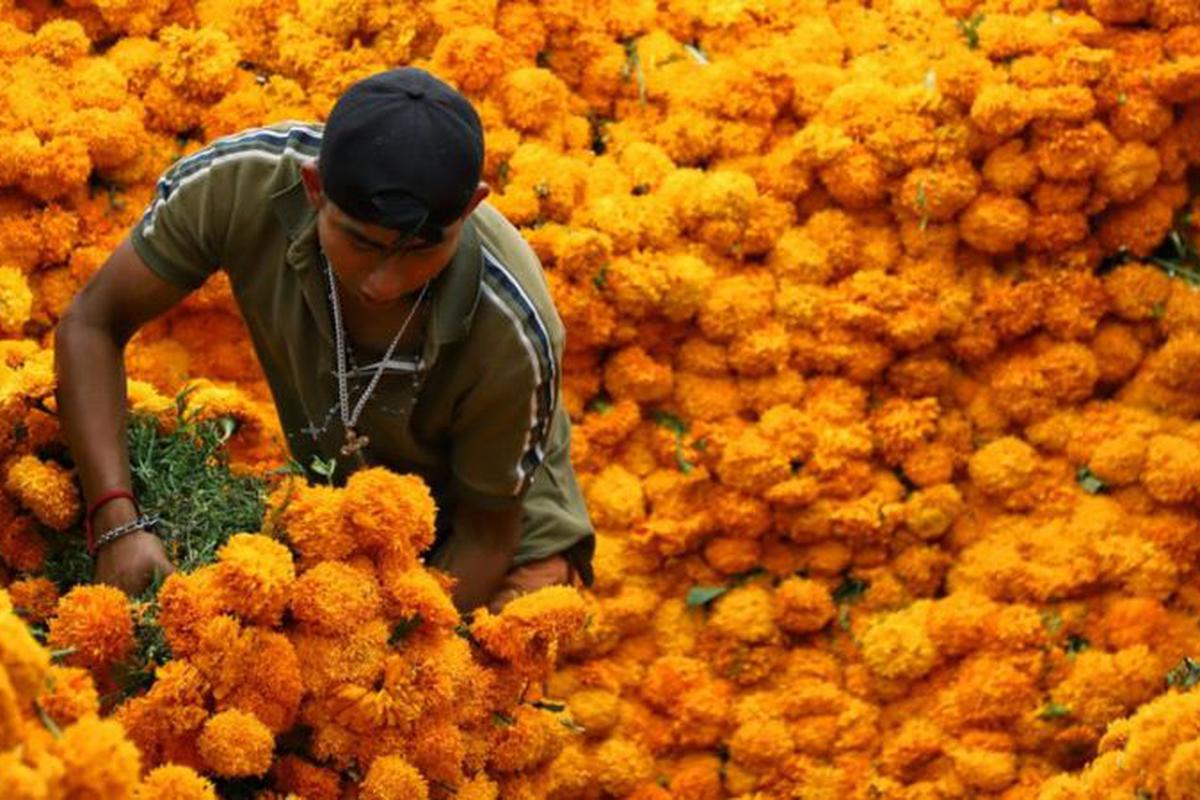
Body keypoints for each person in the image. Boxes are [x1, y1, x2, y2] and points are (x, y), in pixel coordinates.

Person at [53, 67, 595, 613]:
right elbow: (91, 323)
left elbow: (488, 537)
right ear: (314, 190)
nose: (384, 281)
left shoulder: (514, 330)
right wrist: (116, 520)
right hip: (339, 493)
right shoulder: (241, 184)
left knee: (511, 631)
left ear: (473, 207)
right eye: (360, 242)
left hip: (496, 519)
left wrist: (381, 657)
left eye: (421, 252)